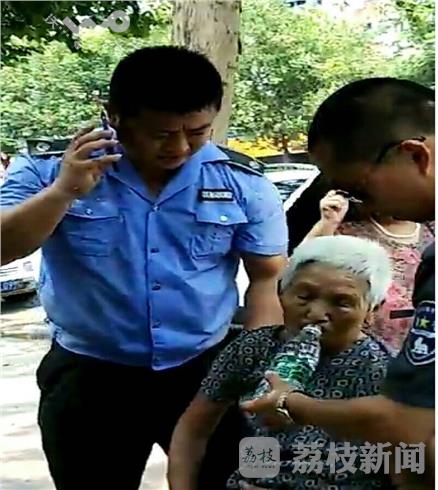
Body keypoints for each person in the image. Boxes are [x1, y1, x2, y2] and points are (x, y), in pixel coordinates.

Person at [0, 46, 288, 490]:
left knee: (241, 481)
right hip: (90, 376)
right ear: (114, 115)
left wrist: (256, 370)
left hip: (206, 369)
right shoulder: (48, 168)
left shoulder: (241, 180)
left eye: (197, 132)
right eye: (161, 134)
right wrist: (64, 192)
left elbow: (266, 280)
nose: (180, 147)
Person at [242, 78, 435, 488]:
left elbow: (411, 429)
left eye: (357, 189)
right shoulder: (259, 352)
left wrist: (289, 403)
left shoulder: (373, 364)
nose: (317, 312)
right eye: (304, 294)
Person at [169, 235, 394, 490]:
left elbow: (408, 464)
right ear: (281, 291)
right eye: (304, 296)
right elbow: (193, 428)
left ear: (373, 310)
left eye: (342, 303)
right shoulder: (254, 348)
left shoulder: (382, 371)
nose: (316, 314)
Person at [303, 190, 434, 352]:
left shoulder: (431, 227)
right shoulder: (344, 232)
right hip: (366, 350)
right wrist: (327, 223)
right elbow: (299, 272)